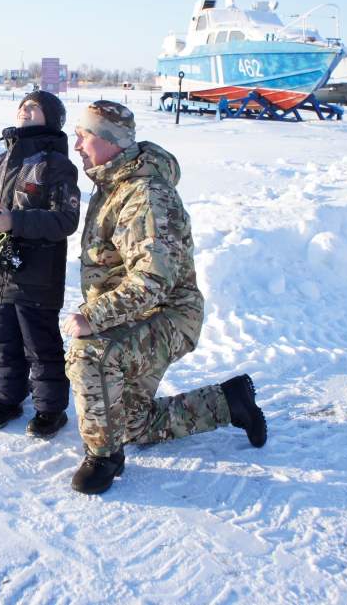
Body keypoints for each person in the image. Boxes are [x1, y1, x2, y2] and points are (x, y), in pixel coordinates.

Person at [62, 101, 267, 494]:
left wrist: (96, 315)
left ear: (110, 141)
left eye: (83, 136)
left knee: (89, 353)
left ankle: (105, 457)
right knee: (127, 421)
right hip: (139, 311)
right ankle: (229, 403)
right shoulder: (112, 182)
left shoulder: (146, 196)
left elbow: (153, 279)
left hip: (168, 313)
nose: (77, 144)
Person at [0, 90, 81, 438]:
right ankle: (7, 398)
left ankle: (50, 410)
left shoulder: (56, 165)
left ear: (52, 119)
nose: (26, 110)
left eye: (35, 107)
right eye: (22, 106)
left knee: (39, 345)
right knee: (2, 340)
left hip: (37, 273)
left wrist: (15, 221)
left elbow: (66, 220)